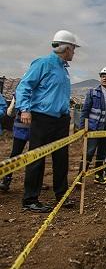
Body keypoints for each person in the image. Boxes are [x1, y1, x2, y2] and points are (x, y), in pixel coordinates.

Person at [15, 30, 80, 212]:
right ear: (66, 48)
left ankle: (61, 195)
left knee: (61, 159)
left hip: (60, 121)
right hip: (42, 119)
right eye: (73, 48)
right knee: (37, 158)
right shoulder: (43, 63)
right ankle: (30, 200)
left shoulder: (64, 70)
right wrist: (25, 109)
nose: (74, 52)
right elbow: (24, 86)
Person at [0, 95, 31, 191]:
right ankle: (34, 182)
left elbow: (9, 112)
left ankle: (6, 180)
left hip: (22, 129)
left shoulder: (20, 92)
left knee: (15, 154)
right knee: (34, 156)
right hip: (31, 128)